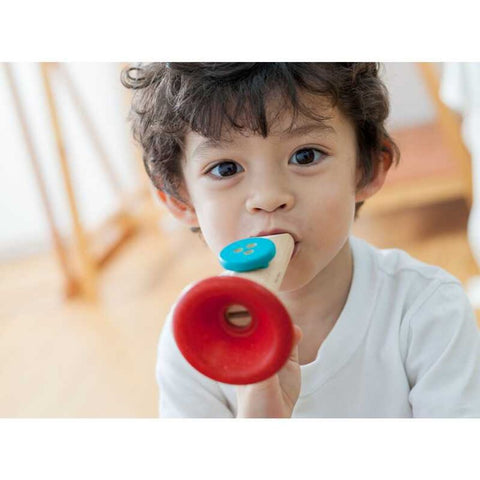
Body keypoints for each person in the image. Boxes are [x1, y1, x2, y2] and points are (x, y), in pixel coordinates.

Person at [122, 63, 480, 417]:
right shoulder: (193, 337)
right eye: (225, 169)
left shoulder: (427, 311)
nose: (268, 196)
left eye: (305, 156)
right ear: (180, 200)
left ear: (368, 167)